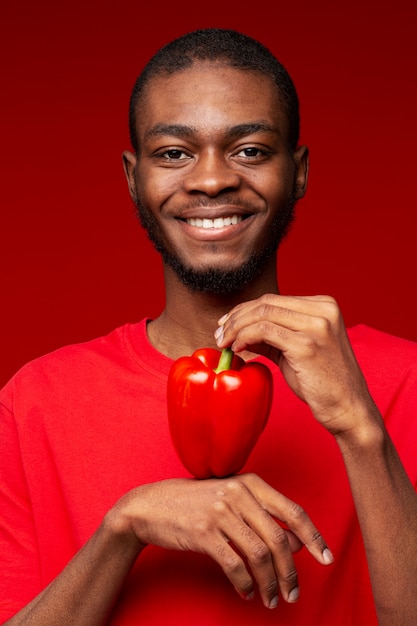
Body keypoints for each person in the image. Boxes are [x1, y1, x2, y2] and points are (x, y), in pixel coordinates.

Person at [1, 28, 416, 626]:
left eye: (250, 150)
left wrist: (361, 428)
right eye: (174, 153)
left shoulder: (406, 381)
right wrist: (125, 526)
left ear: (297, 172)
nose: (212, 180)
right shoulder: (33, 403)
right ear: (132, 178)